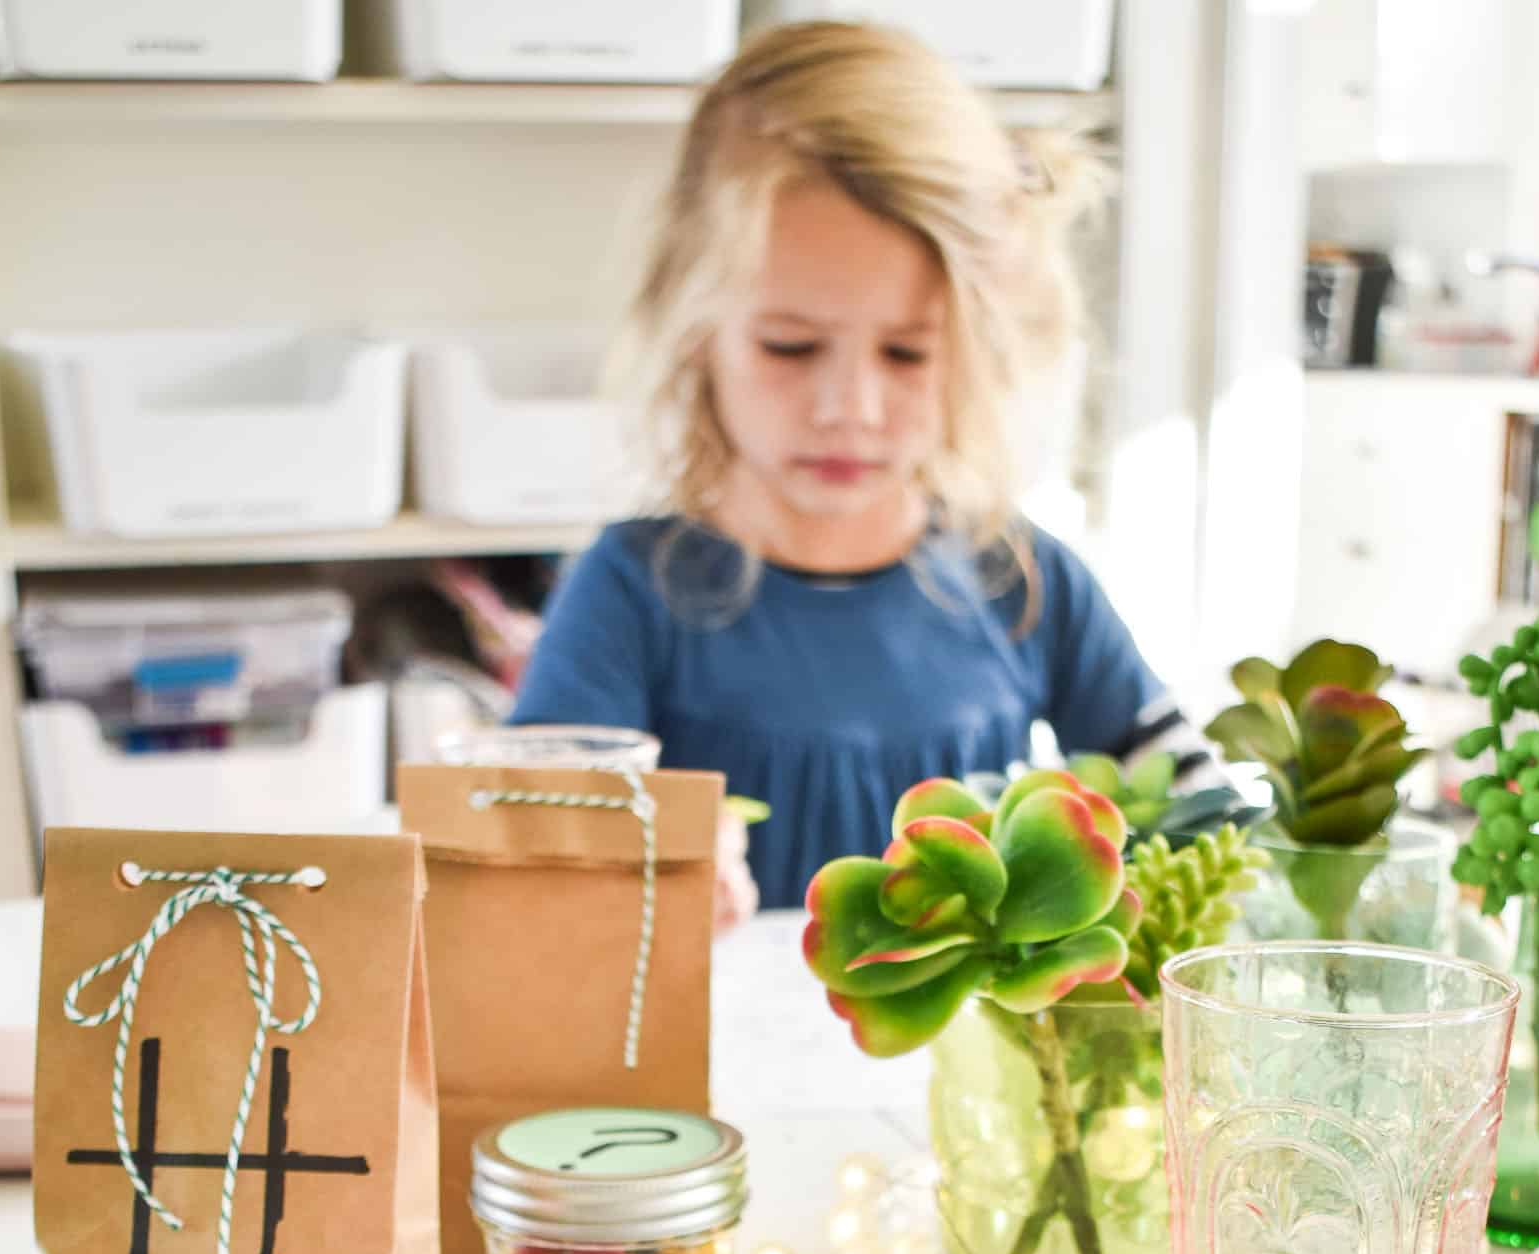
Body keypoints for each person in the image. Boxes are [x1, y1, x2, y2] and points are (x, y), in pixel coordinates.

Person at [510, 17, 1212, 912]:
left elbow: (1196, 815)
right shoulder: (632, 592)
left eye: (908, 354)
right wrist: (629, 873)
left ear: (979, 353)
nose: (852, 408)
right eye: (791, 346)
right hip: (723, 1052)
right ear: (695, 334)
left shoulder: (1027, 583)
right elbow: (526, 855)